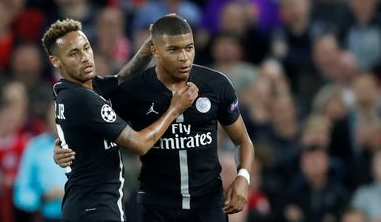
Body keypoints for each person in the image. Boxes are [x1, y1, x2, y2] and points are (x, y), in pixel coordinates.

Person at [55, 14, 255, 221]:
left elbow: (243, 141)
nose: (184, 57)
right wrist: (65, 146)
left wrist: (243, 177)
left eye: (189, 47)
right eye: (173, 50)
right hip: (157, 207)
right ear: (154, 50)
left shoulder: (216, 84)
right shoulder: (133, 91)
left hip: (209, 205)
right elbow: (97, 127)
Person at [41, 18, 198, 222]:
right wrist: (175, 109)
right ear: (55, 61)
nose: (85, 57)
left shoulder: (71, 89)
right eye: (74, 53)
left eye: (86, 48)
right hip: (95, 209)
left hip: (85, 206)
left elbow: (122, 77)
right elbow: (139, 144)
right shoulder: (83, 99)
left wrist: (148, 46)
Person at [13, 102, 67, 222]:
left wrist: (72, 194)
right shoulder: (34, 147)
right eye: (56, 114)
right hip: (45, 217)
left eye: (65, 114)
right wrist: (43, 197)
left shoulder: (86, 147)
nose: (60, 119)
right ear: (47, 118)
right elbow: (21, 194)